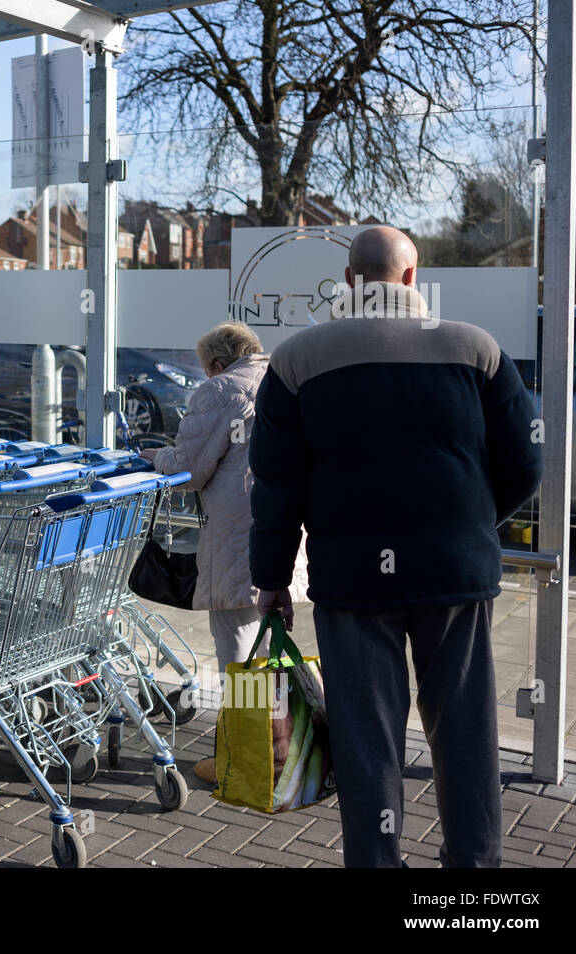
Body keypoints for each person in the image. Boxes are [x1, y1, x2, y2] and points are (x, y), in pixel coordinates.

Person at [249, 225, 543, 867]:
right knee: (465, 731)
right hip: (454, 573)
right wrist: (469, 528)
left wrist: (271, 577)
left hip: (352, 582)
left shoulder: (297, 360)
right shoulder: (476, 350)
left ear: (350, 282)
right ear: (413, 279)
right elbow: (525, 464)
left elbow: (276, 484)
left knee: (367, 736)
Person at [141, 321, 308, 785]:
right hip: (281, 525)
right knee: (262, 643)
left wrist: (157, 457)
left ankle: (248, 760)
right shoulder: (284, 380)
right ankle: (276, 750)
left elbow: (190, 470)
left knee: (237, 645)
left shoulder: (220, 389)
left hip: (239, 532)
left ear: (217, 363)